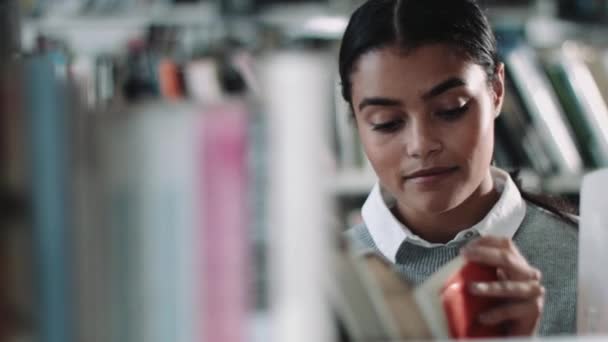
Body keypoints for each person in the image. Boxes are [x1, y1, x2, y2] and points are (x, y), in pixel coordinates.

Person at [339, 0, 578, 337]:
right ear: (356, 122)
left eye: (452, 109)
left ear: (496, 91)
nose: (421, 145)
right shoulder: (323, 284)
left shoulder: (592, 260)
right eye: (387, 123)